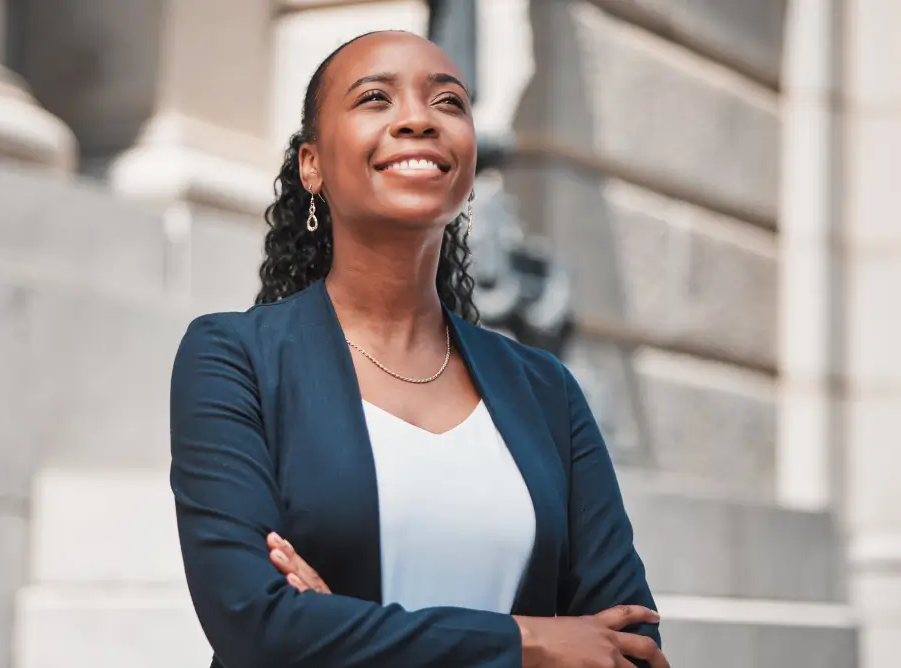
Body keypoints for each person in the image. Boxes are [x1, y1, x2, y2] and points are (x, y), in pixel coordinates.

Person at [170, 30, 668, 668]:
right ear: (311, 164)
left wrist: (338, 631)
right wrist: (531, 642)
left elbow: (631, 648)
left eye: (449, 103)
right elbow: (255, 622)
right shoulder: (235, 359)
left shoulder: (546, 390)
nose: (417, 120)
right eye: (375, 97)